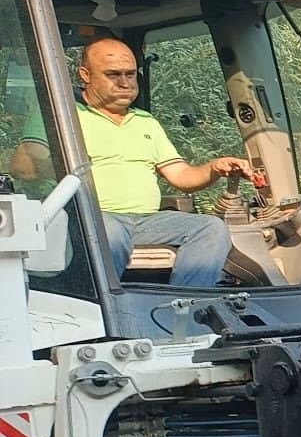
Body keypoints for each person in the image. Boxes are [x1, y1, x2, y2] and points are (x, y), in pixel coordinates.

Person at [12, 37, 252, 287]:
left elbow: (182, 177)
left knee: (212, 228)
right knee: (109, 231)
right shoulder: (61, 114)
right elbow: (24, 164)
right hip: (88, 216)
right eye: (113, 75)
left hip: (148, 220)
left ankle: (186, 307)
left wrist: (214, 168)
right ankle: (106, 305)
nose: (125, 83)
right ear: (85, 75)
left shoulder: (145, 122)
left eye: (130, 74)